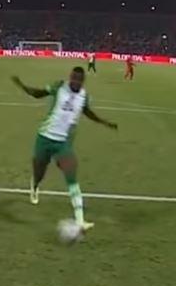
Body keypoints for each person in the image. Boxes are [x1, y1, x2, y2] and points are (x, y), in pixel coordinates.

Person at [11, 66, 117, 231]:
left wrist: (104, 122)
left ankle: (80, 220)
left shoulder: (83, 96)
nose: (75, 81)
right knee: (39, 173)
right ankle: (35, 185)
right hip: (44, 138)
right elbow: (39, 93)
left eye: (78, 79)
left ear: (83, 81)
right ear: (70, 77)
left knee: (71, 176)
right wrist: (22, 86)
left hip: (62, 144)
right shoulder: (59, 86)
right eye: (73, 78)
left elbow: (87, 112)